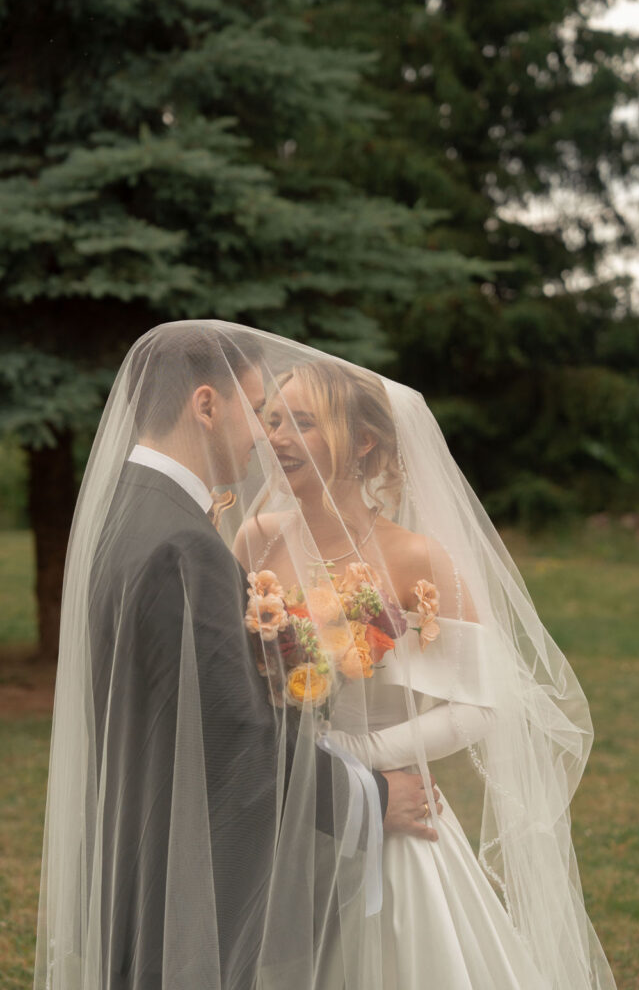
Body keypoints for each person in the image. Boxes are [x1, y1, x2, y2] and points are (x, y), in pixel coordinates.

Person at [32, 322, 443, 990]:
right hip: (188, 857)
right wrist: (370, 796)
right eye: (255, 410)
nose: (264, 434)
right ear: (204, 406)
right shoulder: (185, 544)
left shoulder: (129, 508)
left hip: (140, 827)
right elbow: (235, 735)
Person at [228, 344, 619, 990]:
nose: (276, 438)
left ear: (363, 442)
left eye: (301, 422)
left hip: (394, 817)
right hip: (290, 810)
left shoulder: (416, 558)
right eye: (271, 420)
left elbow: (484, 703)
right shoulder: (256, 539)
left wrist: (368, 752)